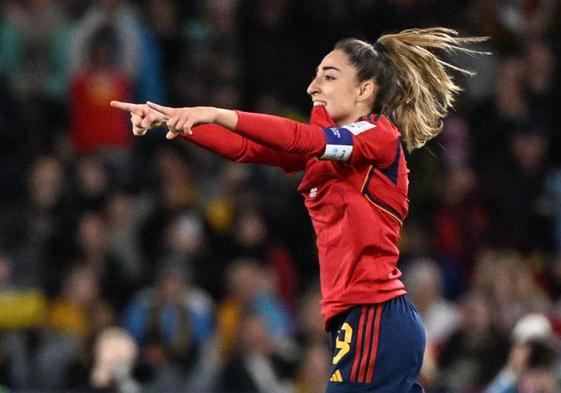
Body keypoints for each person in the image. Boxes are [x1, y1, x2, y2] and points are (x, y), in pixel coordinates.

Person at [112, 27, 486, 392]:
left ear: (364, 90)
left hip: (375, 313)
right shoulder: (329, 153)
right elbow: (246, 148)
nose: (313, 87)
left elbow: (303, 137)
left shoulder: (378, 136)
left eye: (328, 76)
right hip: (362, 317)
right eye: (315, 76)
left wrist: (213, 111)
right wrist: (172, 119)